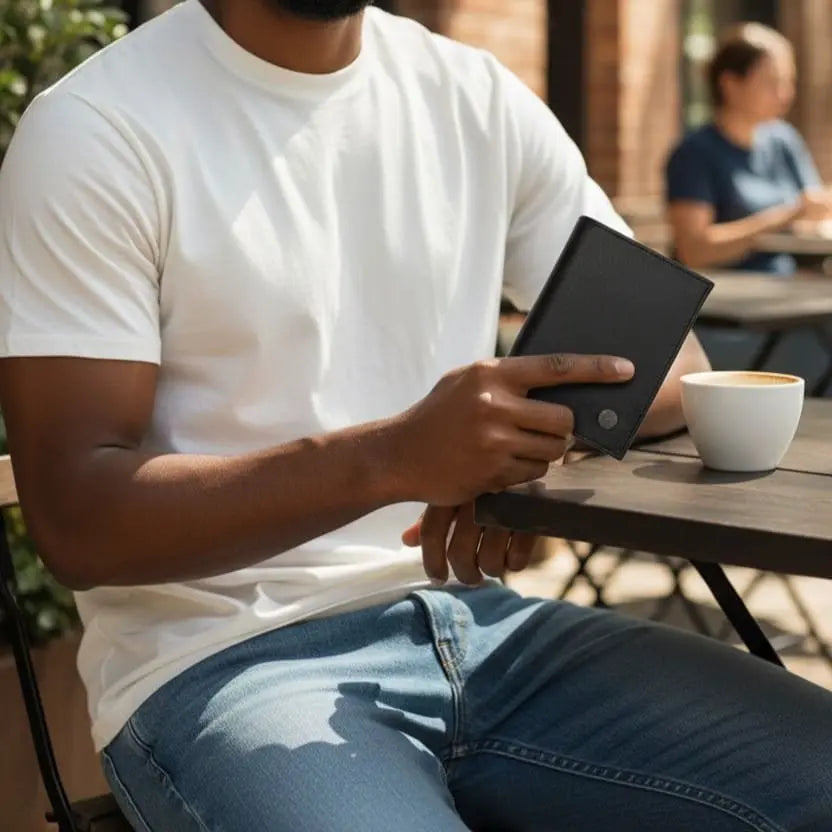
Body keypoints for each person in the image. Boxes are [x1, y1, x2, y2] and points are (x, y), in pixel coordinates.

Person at [0, 2, 830, 830]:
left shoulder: (475, 96)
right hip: (226, 663)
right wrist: (394, 458)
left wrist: (511, 447)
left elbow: (668, 365)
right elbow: (78, 520)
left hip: (489, 628)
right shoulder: (98, 127)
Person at [666, 22, 832, 273]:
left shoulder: (784, 140)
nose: (785, 94)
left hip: (789, 288)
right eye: (771, 83)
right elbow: (694, 251)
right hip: (727, 301)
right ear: (730, 84)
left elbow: (814, 217)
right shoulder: (694, 154)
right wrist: (784, 218)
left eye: (788, 82)